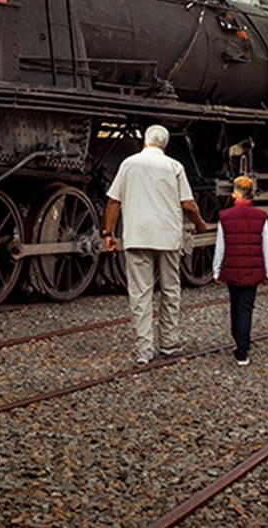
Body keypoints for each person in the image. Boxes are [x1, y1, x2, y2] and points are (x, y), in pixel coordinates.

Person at [101, 125, 208, 364]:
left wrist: (108, 233)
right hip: (167, 238)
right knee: (170, 291)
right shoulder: (174, 166)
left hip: (137, 236)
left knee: (140, 294)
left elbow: (112, 202)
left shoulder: (129, 164)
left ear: (144, 143)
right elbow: (189, 205)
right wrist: (200, 224)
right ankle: (169, 345)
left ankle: (144, 351)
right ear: (166, 146)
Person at [212, 175, 268, 366]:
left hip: (232, 270)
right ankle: (242, 349)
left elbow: (220, 246)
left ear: (235, 193)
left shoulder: (225, 216)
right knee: (246, 307)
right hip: (253, 272)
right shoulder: (261, 216)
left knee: (235, 305)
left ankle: (238, 338)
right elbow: (266, 247)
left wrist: (216, 271)